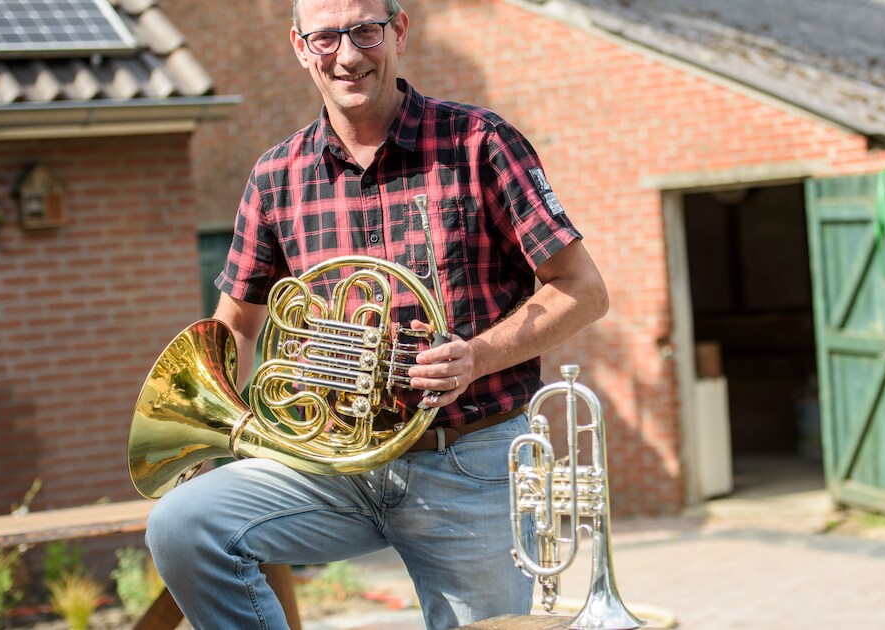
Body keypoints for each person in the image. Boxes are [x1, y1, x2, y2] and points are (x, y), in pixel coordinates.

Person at [144, 0, 609, 627]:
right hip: (334, 465)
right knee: (183, 525)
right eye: (326, 38)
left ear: (399, 32)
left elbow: (582, 290)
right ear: (300, 47)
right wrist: (222, 437)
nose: (347, 55)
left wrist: (475, 357)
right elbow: (234, 329)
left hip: (467, 459)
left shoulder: (480, 143)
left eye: (365, 31)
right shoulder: (276, 176)